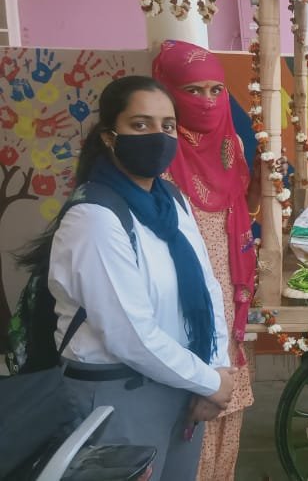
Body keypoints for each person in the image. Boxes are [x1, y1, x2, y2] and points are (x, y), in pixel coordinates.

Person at [45, 75, 235, 479]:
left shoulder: (173, 201)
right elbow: (129, 334)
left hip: (183, 386)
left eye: (168, 126)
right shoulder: (95, 217)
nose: (157, 136)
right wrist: (208, 381)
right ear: (110, 136)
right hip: (117, 395)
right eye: (140, 124)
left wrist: (215, 370)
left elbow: (208, 288)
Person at [151, 39, 285, 480]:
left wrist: (262, 180)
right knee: (190, 397)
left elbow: (244, 207)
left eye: (215, 89)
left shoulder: (231, 143)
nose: (208, 100)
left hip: (228, 284)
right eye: (193, 90)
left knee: (227, 396)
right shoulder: (157, 151)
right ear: (168, 92)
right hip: (181, 291)